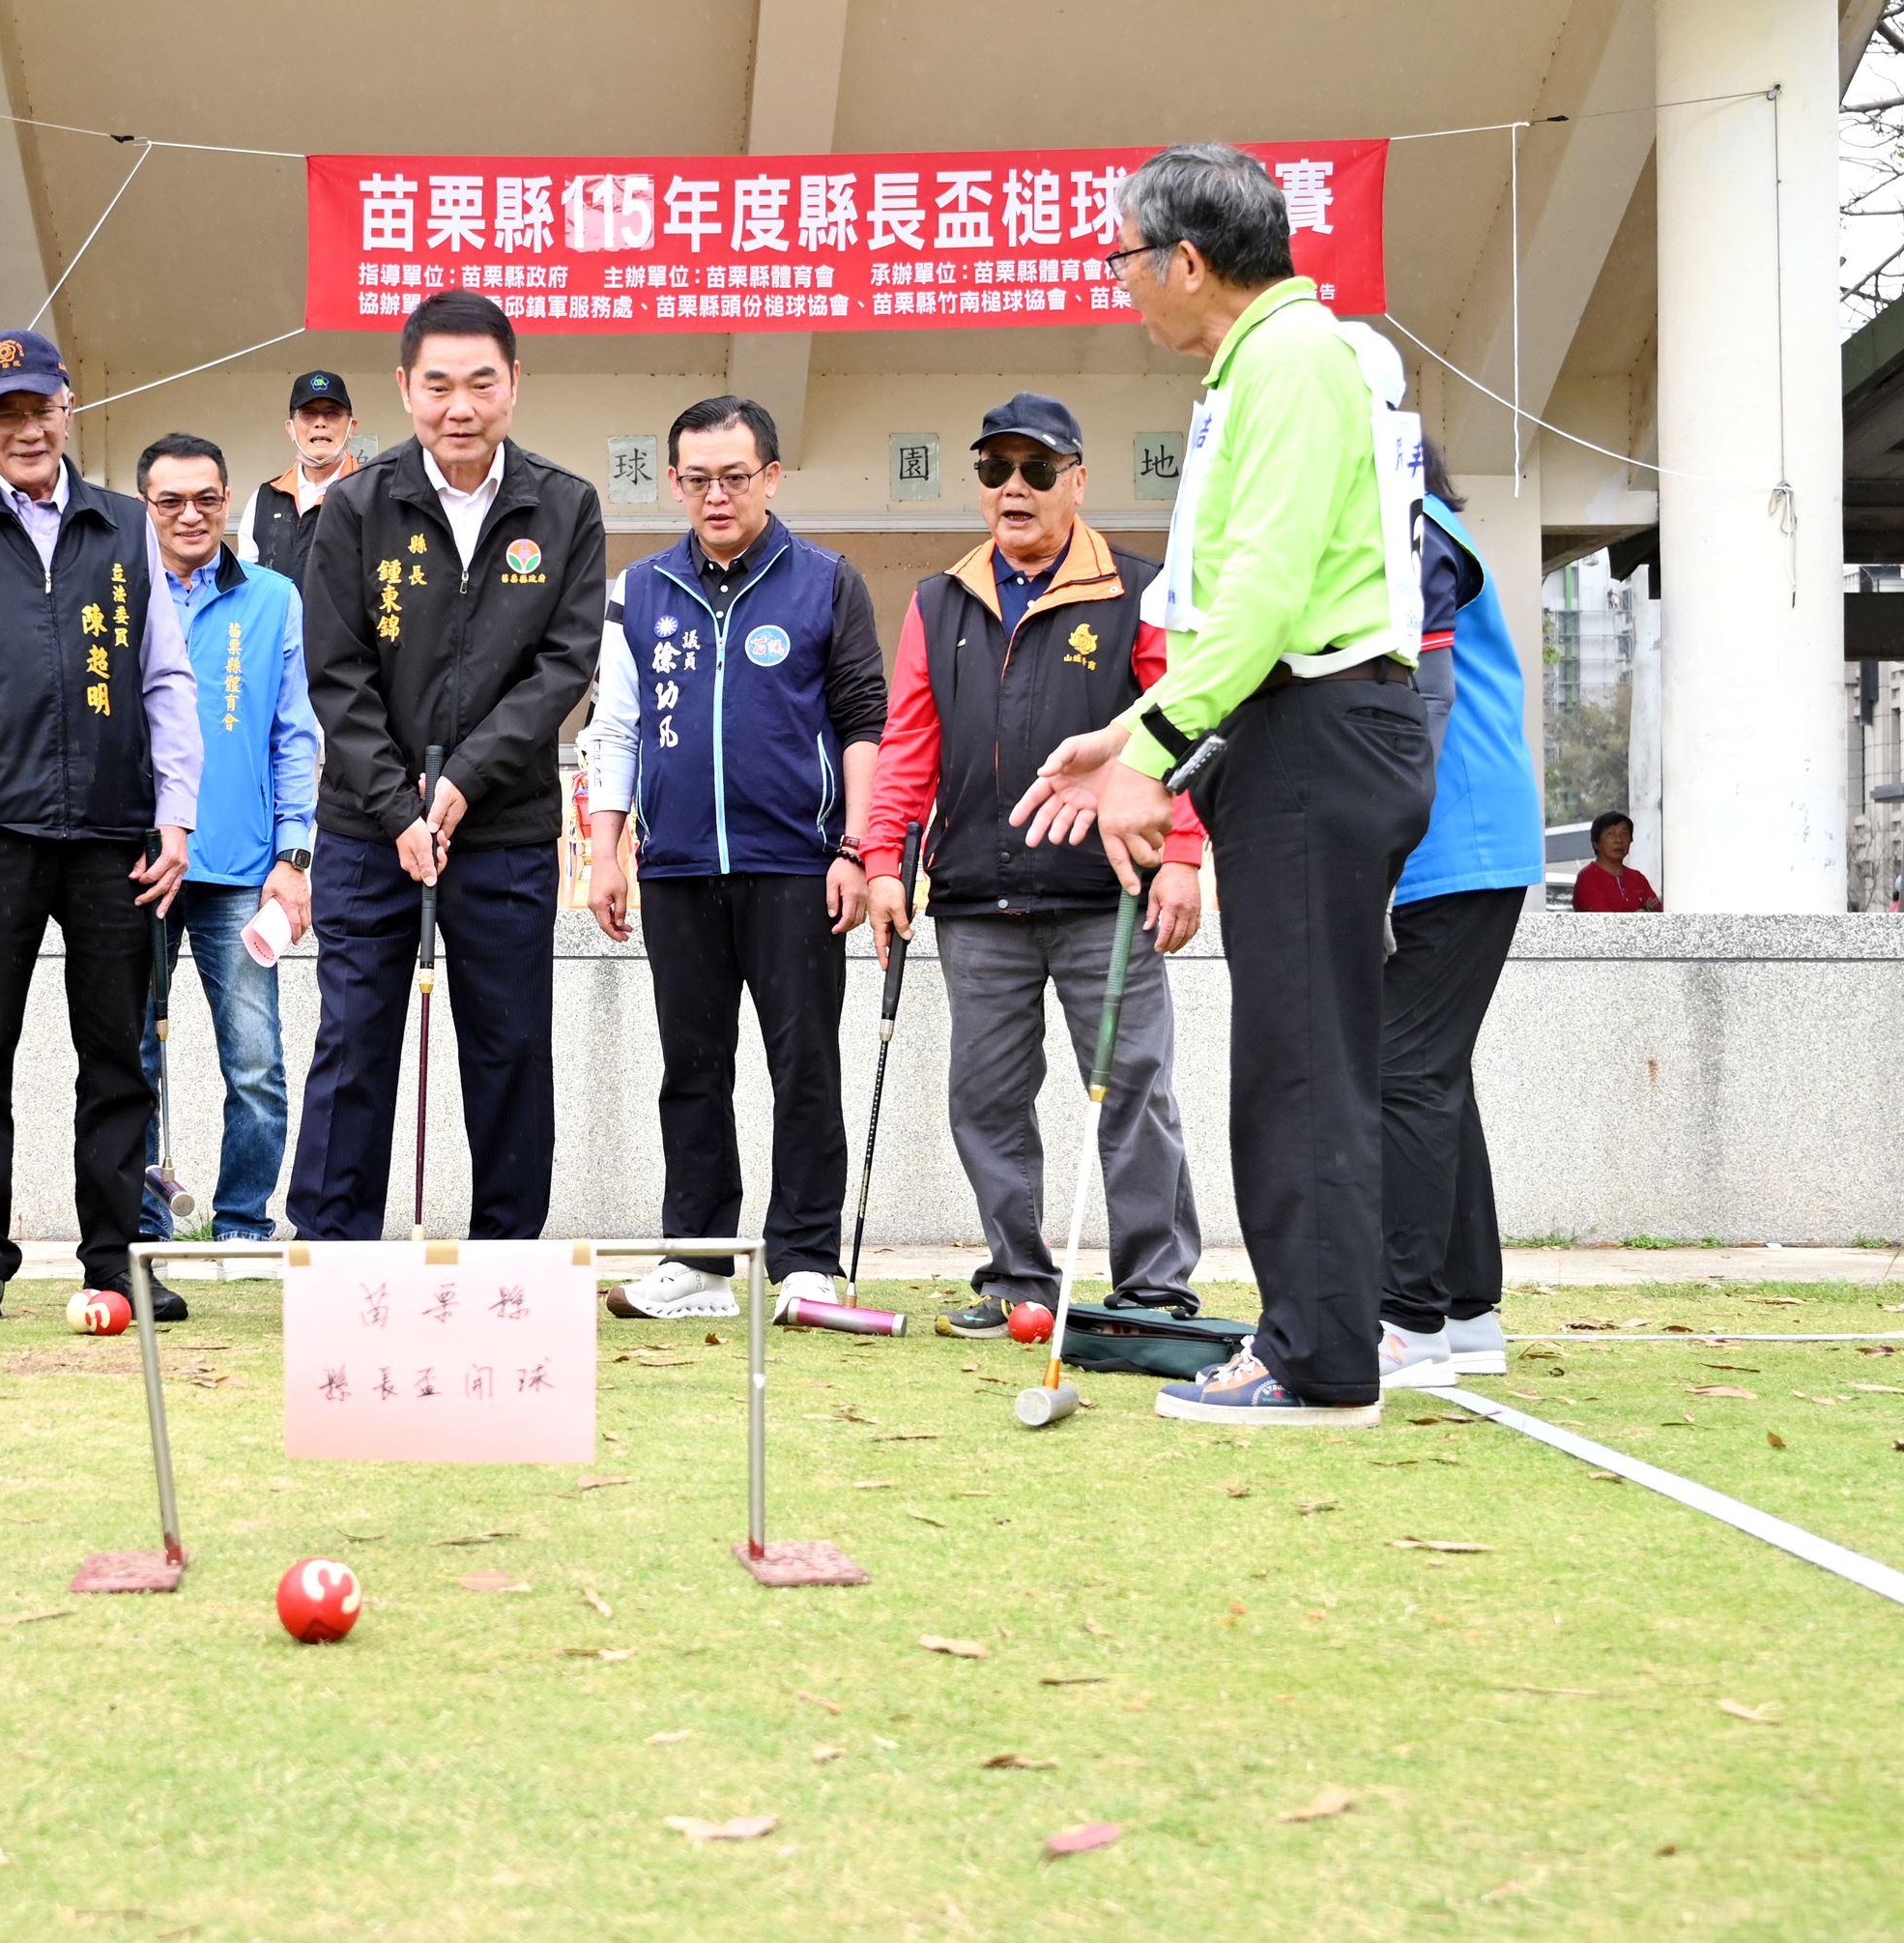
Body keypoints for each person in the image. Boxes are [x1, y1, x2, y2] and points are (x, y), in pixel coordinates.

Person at [1013, 145, 1432, 1428]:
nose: (1119, 283)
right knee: (1295, 1058)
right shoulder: (1265, 364)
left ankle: (1317, 1362)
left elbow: (1268, 596)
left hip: (1318, 734)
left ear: (1184, 260)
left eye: (1121, 258)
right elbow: (1241, 606)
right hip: (1290, 734)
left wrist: (1149, 756)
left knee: (1301, 1065)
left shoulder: (1295, 362)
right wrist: (1133, 732)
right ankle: (1307, 1335)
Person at [0, 328, 200, 1325]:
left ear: (69, 413)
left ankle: (117, 1259)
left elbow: (166, 678)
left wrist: (175, 818)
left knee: (118, 1055)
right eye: (4, 412)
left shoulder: (122, 525)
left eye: (41, 408)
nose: (26, 429)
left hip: (112, 839)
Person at [865, 392, 1208, 1337]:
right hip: (977, 899)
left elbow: (1183, 732)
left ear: (1077, 481)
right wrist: (886, 861)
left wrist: (1182, 856)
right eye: (994, 470)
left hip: (1109, 895)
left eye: (1037, 469)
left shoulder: (1138, 592)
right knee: (985, 1099)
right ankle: (1018, 1281)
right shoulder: (938, 603)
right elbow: (906, 751)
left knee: (1135, 1089)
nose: (1013, 488)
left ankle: (1154, 1292)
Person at [289, 291, 605, 1242]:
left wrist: (461, 782)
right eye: (438, 385)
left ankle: (509, 1256)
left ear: (514, 383)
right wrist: (399, 807)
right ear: (404, 388)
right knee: (352, 1046)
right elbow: (335, 676)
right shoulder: (355, 505)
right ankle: (331, 1251)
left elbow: (565, 666)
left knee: (509, 1047)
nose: (458, 406)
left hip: (503, 832)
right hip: (365, 831)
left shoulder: (565, 506)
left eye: (480, 383)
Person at [583, 394, 886, 1319]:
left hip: (798, 866)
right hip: (676, 869)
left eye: (736, 476)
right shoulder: (638, 591)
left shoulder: (827, 581)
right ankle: (702, 1257)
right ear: (674, 482)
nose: (718, 495)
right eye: (699, 479)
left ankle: (804, 1257)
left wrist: (857, 849)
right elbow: (617, 726)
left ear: (772, 477)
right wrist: (607, 850)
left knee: (804, 1065)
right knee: (693, 1067)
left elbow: (866, 722)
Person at [1378, 447, 1544, 1388]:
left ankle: (1409, 1320)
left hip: (1455, 836)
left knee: (1405, 1070)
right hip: (1455, 838)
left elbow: (1419, 699)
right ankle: (1467, 1310)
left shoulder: (1417, 531)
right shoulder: (1429, 526)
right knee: (1433, 1073)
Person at [133, 432, 320, 1270]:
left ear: (229, 500)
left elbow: (294, 735)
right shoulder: (117, 591)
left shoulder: (274, 598)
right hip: (138, 866)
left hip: (242, 870)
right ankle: (145, 1223)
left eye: (206, 498)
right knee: (130, 1056)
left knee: (256, 1062)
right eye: (169, 500)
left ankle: (244, 1223)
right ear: (146, 507)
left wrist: (294, 854)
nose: (189, 515)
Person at [235, 371, 361, 582]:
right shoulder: (264, 498)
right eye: (309, 414)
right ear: (291, 429)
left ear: (351, 428)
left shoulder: (372, 494)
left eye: (331, 414)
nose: (320, 423)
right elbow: (247, 579)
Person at [1572, 813, 1660, 911]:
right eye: (1610, 833)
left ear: (1631, 840)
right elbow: (1606, 921)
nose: (1618, 840)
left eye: (1624, 834)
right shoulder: (1587, 878)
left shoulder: (1637, 878)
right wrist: (1643, 912)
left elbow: (1657, 912)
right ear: (1595, 843)